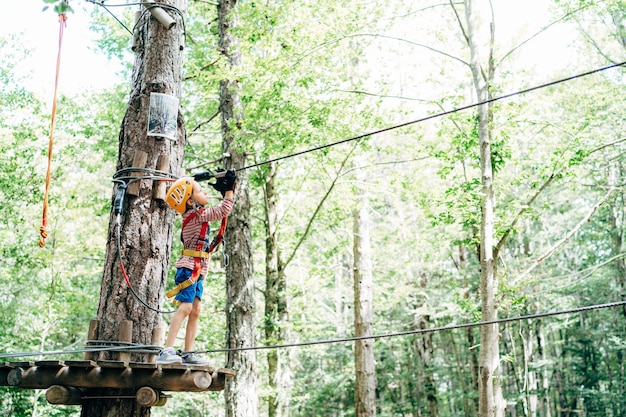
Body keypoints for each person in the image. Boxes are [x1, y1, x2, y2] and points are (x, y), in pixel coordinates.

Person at [157, 169, 236, 365]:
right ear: (191, 202)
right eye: (201, 191)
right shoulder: (195, 215)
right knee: (185, 307)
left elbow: (218, 213)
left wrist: (224, 191)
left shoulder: (196, 213)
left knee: (196, 310)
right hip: (189, 268)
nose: (206, 193)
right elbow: (222, 211)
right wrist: (229, 191)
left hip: (198, 268)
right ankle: (166, 350)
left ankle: (188, 352)